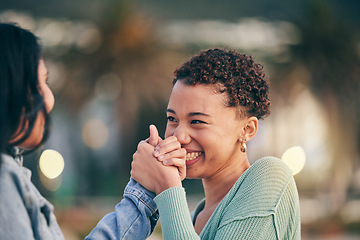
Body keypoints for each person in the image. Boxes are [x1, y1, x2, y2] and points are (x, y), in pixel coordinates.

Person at [0, 22, 158, 240]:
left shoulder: (11, 173)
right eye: (38, 85)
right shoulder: (4, 181)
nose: (49, 100)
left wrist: (144, 193)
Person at [131, 48, 301, 239]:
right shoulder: (192, 219)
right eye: (172, 119)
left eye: (197, 121)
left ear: (247, 129)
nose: (179, 137)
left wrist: (167, 186)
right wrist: (142, 190)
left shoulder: (272, 177)